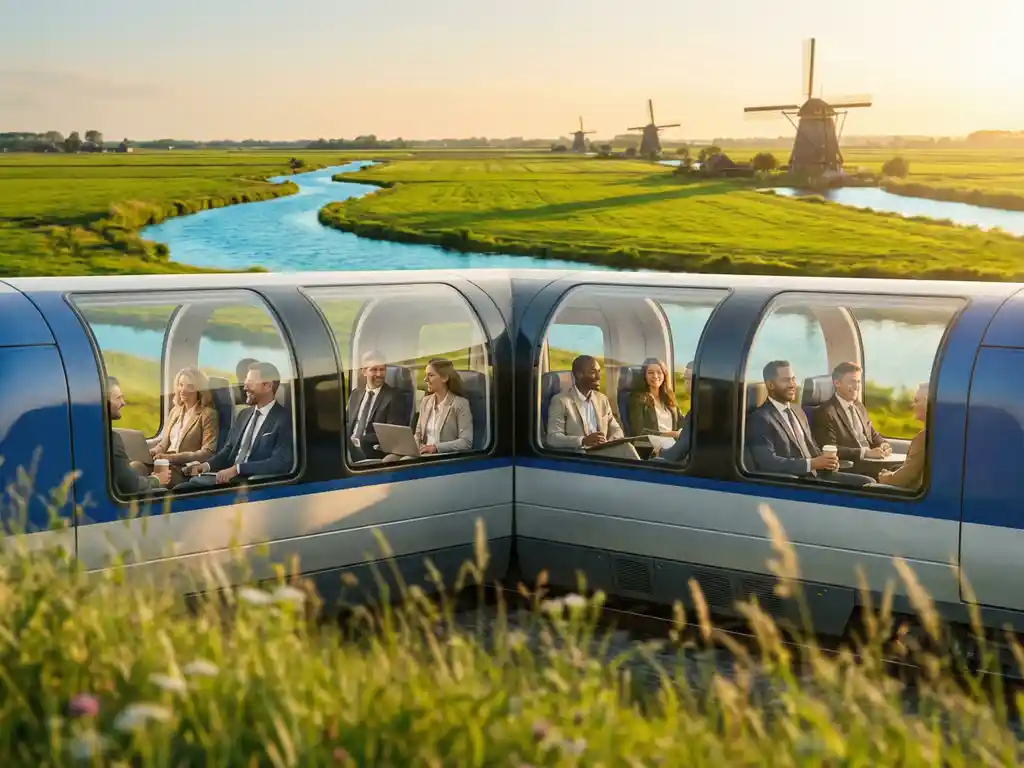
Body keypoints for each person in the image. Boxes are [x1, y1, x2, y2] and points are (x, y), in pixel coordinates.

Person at [745, 360, 872, 487]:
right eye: (785, 380)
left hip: (818, 475)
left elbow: (812, 446)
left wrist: (828, 462)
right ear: (770, 385)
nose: (792, 385)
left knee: (869, 483)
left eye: (793, 379)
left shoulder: (798, 410)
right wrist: (812, 464)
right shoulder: (760, 418)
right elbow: (768, 463)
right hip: (796, 482)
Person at [176, 362, 293, 490]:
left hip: (251, 483)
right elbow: (228, 450)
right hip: (227, 478)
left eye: (250, 382)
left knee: (180, 492)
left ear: (268, 386)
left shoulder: (283, 419)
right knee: (179, 487)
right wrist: (206, 466)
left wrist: (237, 469)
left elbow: (279, 463)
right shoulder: (243, 414)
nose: (245, 387)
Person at [131, 366, 219, 487]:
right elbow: (165, 443)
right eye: (181, 384)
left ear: (199, 389)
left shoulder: (208, 414)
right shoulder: (175, 411)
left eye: (189, 386)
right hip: (165, 464)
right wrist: (155, 450)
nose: (182, 390)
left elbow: (207, 453)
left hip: (183, 469)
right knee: (135, 467)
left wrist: (171, 458)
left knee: (156, 482)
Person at [546, 355, 639, 459]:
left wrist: (609, 443)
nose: (599, 377)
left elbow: (617, 430)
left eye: (599, 371)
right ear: (579, 374)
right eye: (593, 372)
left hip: (602, 452)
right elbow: (553, 438)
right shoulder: (561, 401)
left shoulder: (602, 399)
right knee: (626, 449)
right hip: (579, 456)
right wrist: (583, 440)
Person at [810, 362, 891, 477]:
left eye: (858, 382)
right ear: (837, 383)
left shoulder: (859, 406)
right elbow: (830, 448)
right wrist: (865, 453)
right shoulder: (825, 412)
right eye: (852, 382)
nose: (857, 386)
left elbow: (872, 434)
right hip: (852, 467)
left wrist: (883, 444)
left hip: (871, 463)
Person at [384, 358, 472, 461]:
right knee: (388, 460)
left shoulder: (460, 404)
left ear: (445, 378)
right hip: (423, 452)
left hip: (442, 455)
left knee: (405, 461)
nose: (425, 379)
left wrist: (435, 448)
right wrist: (410, 448)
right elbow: (418, 434)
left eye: (430, 375)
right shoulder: (425, 401)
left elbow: (466, 442)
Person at [106, 377, 171, 495]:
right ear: (105, 402)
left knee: (137, 466)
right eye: (118, 398)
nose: (123, 403)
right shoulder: (111, 439)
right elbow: (130, 485)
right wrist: (156, 480)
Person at [346, 350, 408, 461]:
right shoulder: (356, 394)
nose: (379, 374)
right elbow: (346, 423)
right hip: (348, 449)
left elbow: (392, 434)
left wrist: (360, 440)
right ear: (364, 371)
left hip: (372, 451)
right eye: (374, 370)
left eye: (382, 370)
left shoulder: (394, 396)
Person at [878, 382, 929, 490]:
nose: (913, 405)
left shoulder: (924, 437)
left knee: (868, 484)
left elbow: (903, 479)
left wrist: (885, 478)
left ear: (928, 403)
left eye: (917, 401)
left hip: (913, 496)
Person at [626, 357, 684, 438]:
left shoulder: (669, 396)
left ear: (664, 374)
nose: (655, 376)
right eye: (650, 373)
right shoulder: (637, 399)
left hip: (674, 443)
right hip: (653, 446)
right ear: (644, 375)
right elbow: (639, 431)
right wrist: (668, 435)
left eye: (659, 372)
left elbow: (682, 422)